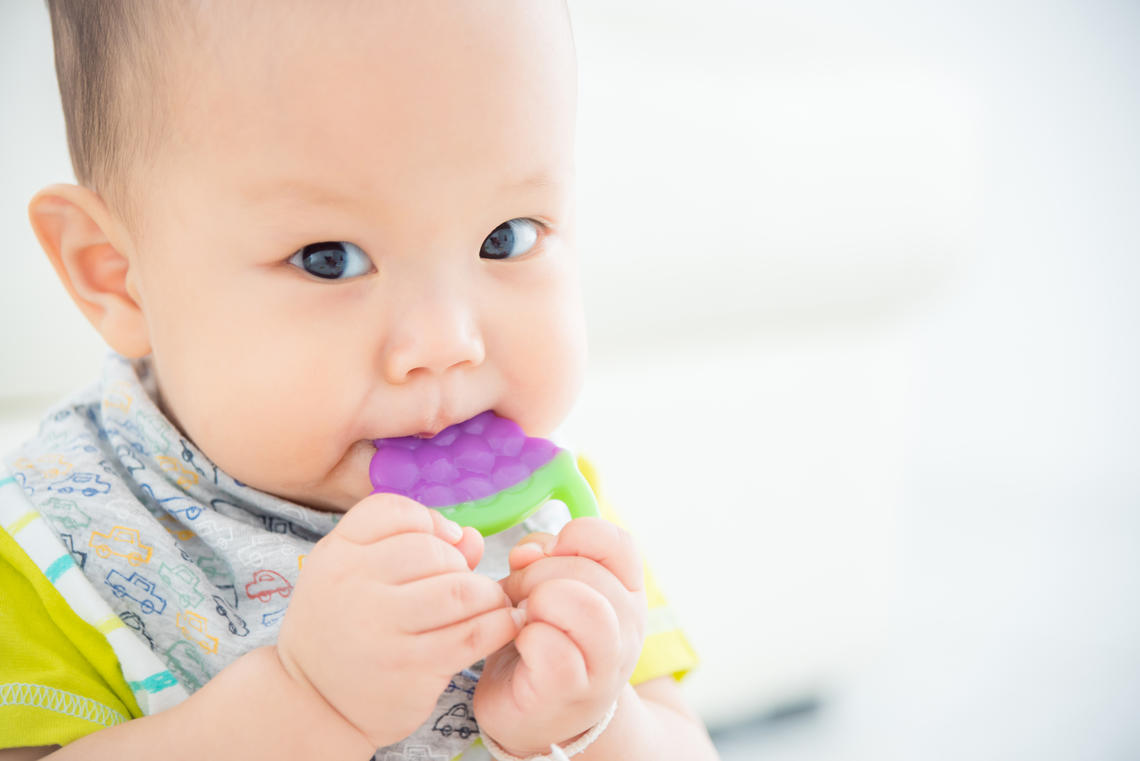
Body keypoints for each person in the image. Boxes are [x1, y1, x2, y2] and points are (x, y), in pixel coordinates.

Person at [0, 1, 719, 760]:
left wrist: (597, 723)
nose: (447, 343)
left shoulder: (557, 523)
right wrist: (302, 705)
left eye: (505, 239)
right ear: (117, 276)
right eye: (329, 257)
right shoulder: (52, 546)